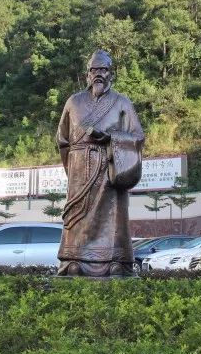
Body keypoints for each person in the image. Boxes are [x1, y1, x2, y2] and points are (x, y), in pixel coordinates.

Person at [55, 50, 144, 276]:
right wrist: (74, 171)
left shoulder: (122, 102)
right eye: (94, 70)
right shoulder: (73, 102)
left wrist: (111, 139)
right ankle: (73, 259)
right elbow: (62, 141)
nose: (98, 74)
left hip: (110, 168)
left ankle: (116, 262)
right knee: (78, 217)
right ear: (87, 74)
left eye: (103, 70)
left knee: (112, 215)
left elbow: (137, 136)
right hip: (79, 172)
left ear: (110, 74)